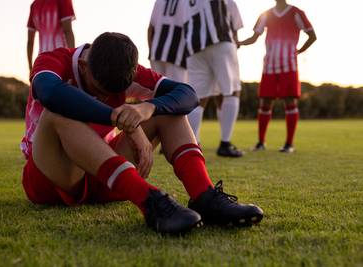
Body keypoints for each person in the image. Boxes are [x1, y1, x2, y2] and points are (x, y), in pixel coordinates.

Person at [20, 32, 263, 235]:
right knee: (56, 112)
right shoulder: (54, 60)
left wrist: (148, 108)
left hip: (105, 175)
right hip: (53, 179)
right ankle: (149, 200)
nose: (106, 96)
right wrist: (120, 119)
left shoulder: (128, 71)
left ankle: (205, 197)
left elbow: (187, 94)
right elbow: (49, 92)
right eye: (99, 90)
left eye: (113, 93)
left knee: (169, 109)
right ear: (83, 66)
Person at [238, 0, 316, 153]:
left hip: (289, 66)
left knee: (290, 101)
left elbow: (312, 36)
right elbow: (254, 37)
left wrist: (299, 51)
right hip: (270, 66)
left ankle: (289, 144)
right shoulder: (266, 15)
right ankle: (261, 142)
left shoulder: (296, 13)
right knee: (265, 102)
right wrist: (238, 43)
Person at [185, 0, 245, 157]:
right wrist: (235, 43)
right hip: (220, 40)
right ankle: (225, 143)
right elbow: (234, 24)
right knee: (232, 92)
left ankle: (193, 144)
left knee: (197, 98)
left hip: (194, 47)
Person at [27, 0, 76, 72]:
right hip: (61, 59)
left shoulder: (34, 5)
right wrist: (72, 60)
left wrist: (31, 68)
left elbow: (30, 42)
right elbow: (67, 31)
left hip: (41, 61)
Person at [148, 0, 188, 83]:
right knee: (177, 92)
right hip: (177, 54)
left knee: (158, 90)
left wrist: (151, 50)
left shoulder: (159, 1)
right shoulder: (187, 2)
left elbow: (150, 28)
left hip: (156, 52)